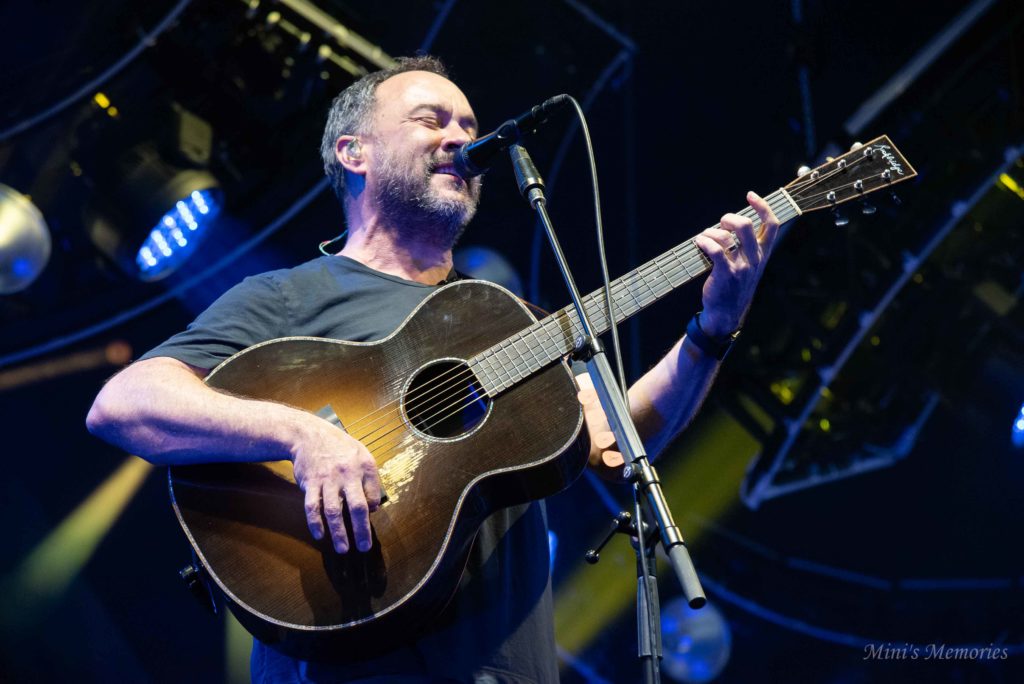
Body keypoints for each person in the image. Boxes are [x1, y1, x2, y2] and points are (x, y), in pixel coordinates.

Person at [86, 55, 779, 683]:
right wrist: (301, 435)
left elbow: (619, 438)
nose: (460, 138)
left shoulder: (509, 318)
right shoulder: (288, 296)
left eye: (469, 126)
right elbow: (125, 403)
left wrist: (714, 327)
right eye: (431, 120)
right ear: (353, 152)